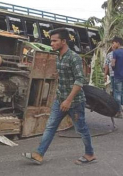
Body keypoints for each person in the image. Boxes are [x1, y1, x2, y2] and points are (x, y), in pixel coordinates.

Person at [22, 28, 96, 165]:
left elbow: (80, 81)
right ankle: (39, 154)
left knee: (81, 129)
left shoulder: (74, 58)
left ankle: (90, 154)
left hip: (74, 102)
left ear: (63, 41)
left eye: (55, 41)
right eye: (51, 41)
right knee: (50, 126)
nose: (52, 43)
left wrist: (68, 100)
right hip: (60, 99)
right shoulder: (58, 57)